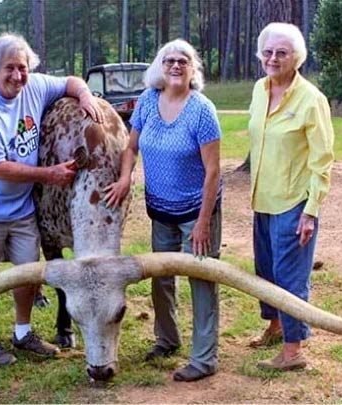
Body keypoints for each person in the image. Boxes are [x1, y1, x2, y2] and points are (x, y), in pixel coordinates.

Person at [0, 33, 103, 366]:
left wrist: (85, 95)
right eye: (10, 68)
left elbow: (70, 81)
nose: (17, 76)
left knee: (29, 271)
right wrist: (49, 174)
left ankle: (22, 333)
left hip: (20, 205)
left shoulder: (33, 86)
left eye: (22, 67)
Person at [105, 39, 223, 382]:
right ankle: (167, 339)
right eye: (169, 60)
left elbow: (213, 171)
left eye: (182, 61)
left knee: (201, 281)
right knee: (162, 279)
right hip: (160, 211)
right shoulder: (146, 101)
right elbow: (131, 146)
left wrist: (203, 223)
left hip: (196, 213)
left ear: (192, 69)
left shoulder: (202, 110)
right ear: (160, 67)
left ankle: (203, 359)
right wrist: (126, 177)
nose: (175, 65)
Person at [248, 22, 334, 371]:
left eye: (281, 52)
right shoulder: (258, 89)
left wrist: (311, 211)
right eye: (268, 51)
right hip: (262, 200)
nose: (273, 58)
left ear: (296, 57)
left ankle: (294, 351)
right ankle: (275, 326)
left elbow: (322, 160)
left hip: (294, 203)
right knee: (266, 271)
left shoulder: (312, 100)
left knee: (289, 278)